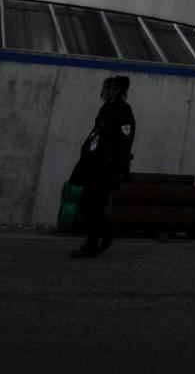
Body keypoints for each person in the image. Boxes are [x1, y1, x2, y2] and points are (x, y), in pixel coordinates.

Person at [70, 74, 135, 258]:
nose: (104, 92)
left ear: (117, 90)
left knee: (89, 202)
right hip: (96, 165)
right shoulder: (106, 109)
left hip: (108, 168)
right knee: (91, 204)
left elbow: (124, 141)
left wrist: (120, 170)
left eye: (108, 88)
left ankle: (102, 235)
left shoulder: (122, 111)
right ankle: (102, 234)